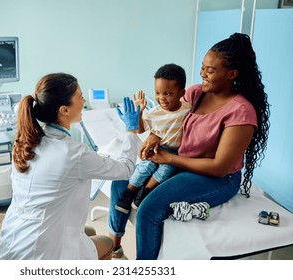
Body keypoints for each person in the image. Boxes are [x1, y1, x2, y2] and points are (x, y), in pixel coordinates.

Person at [108, 32, 270, 260]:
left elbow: (220, 167)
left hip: (216, 177)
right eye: (203, 67)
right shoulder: (196, 93)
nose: (202, 73)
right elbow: (169, 117)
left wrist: (170, 158)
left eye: (210, 70)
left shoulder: (241, 112)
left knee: (148, 210)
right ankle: (114, 247)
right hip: (182, 164)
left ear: (231, 74)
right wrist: (155, 134)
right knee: (119, 184)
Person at [0, 72, 141, 260]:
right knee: (107, 243)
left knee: (87, 230)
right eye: (80, 97)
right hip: (41, 252)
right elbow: (126, 169)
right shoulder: (73, 153)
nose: (84, 101)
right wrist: (131, 129)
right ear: (64, 110)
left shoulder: (28, 140)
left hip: (14, 240)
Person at [115, 64, 192, 215]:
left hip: (174, 152)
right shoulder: (154, 113)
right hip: (158, 147)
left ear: (181, 93)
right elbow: (140, 129)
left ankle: (144, 192)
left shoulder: (188, 110)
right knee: (145, 167)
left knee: (166, 170)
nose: (161, 98)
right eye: (157, 93)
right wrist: (140, 111)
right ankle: (129, 192)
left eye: (168, 94)